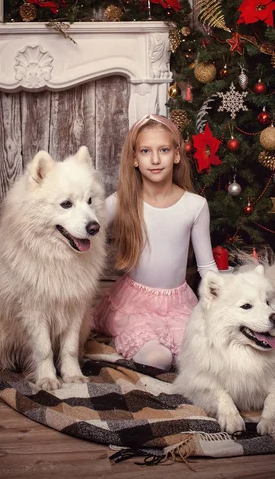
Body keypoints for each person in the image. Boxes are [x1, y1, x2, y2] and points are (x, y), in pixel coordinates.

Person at [93, 114, 219, 371]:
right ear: (135, 160)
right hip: (135, 303)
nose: (154, 159)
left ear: (176, 155)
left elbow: (207, 268)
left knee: (198, 360)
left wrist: (224, 301)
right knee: (157, 360)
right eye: (145, 151)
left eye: (163, 150)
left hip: (179, 303)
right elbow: (88, 227)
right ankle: (143, 344)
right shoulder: (122, 200)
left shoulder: (195, 206)